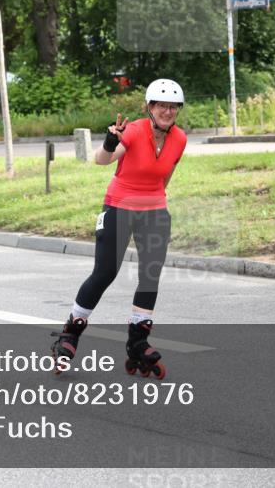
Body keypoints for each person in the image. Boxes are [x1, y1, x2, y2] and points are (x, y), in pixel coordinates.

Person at [51, 79, 187, 379]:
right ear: (149, 107)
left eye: (173, 106)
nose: (167, 111)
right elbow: (103, 160)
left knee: (150, 276)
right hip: (119, 207)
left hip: (154, 211)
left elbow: (167, 175)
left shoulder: (180, 139)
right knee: (105, 273)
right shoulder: (135, 131)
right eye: (161, 105)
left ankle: (138, 342)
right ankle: (70, 335)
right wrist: (110, 142)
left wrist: (155, 204)